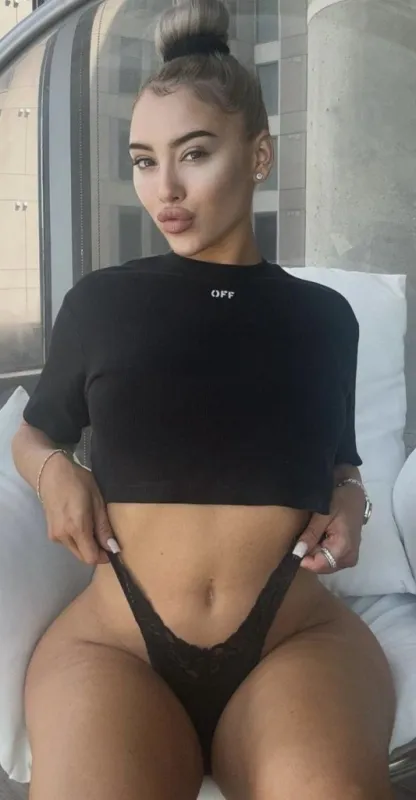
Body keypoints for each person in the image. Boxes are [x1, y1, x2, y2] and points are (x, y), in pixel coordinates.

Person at [12, 1, 395, 797]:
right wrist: (54, 476)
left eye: (194, 153)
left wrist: (352, 498)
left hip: (291, 641)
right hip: (119, 646)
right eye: (144, 160)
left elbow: (339, 460)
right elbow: (36, 434)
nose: (166, 189)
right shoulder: (102, 303)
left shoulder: (325, 318)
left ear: (259, 155)